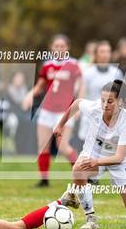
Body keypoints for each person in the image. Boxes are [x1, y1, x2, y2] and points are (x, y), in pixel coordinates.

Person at [54, 80, 126, 229]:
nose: (105, 105)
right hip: (95, 154)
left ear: (120, 102)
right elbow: (77, 103)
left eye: (110, 101)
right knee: (78, 170)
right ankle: (91, 218)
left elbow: (119, 157)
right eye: (102, 100)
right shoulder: (95, 109)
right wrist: (59, 125)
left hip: (121, 162)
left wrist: (96, 162)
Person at [23, 34, 82, 187]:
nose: (59, 49)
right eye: (57, 46)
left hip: (64, 112)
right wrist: (30, 95)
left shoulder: (73, 64)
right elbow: (40, 85)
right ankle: (44, 179)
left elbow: (81, 86)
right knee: (43, 145)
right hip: (47, 110)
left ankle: (83, 175)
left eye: (62, 46)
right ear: (51, 47)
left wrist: (79, 106)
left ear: (67, 48)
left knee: (63, 146)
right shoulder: (47, 65)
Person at [78, 40, 124, 144]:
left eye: (107, 51)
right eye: (102, 51)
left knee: (107, 154)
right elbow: (81, 95)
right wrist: (78, 111)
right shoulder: (88, 73)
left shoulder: (116, 72)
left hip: (109, 118)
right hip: (91, 117)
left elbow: (122, 95)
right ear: (96, 54)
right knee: (87, 154)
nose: (105, 54)